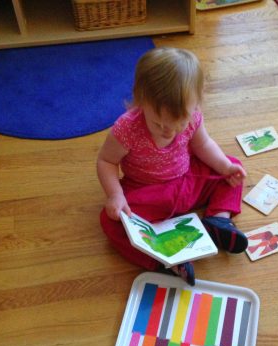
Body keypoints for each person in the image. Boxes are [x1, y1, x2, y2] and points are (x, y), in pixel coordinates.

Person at [97, 47, 248, 286]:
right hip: (148, 193)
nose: (170, 130)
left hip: (187, 180)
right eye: (158, 123)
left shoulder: (194, 115)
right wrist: (115, 196)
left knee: (233, 167)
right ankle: (162, 260)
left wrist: (224, 167)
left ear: (196, 103)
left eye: (180, 122)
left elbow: (203, 144)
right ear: (141, 102)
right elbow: (106, 161)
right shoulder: (126, 128)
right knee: (110, 221)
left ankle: (219, 219)